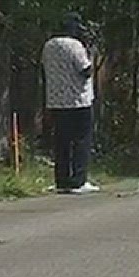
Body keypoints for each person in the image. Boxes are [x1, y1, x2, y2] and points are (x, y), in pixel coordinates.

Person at [42, 13, 98, 193]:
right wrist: (92, 55)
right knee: (82, 140)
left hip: (56, 100)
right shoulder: (75, 45)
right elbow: (85, 70)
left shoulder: (48, 45)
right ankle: (79, 180)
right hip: (78, 100)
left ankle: (62, 180)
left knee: (61, 142)